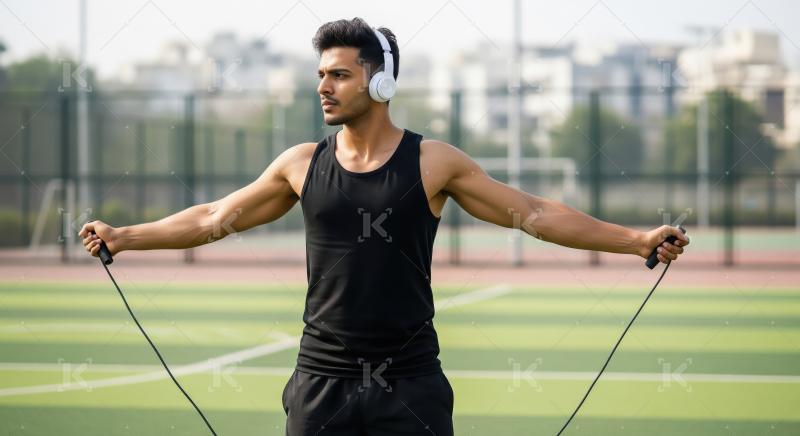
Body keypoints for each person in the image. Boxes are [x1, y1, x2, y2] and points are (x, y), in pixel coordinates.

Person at [79, 17, 689, 436]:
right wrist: (126, 236)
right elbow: (213, 218)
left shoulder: (433, 162)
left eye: (339, 74)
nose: (323, 86)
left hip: (411, 383)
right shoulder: (300, 164)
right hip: (320, 382)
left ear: (381, 80)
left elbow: (531, 213)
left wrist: (635, 240)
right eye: (321, 74)